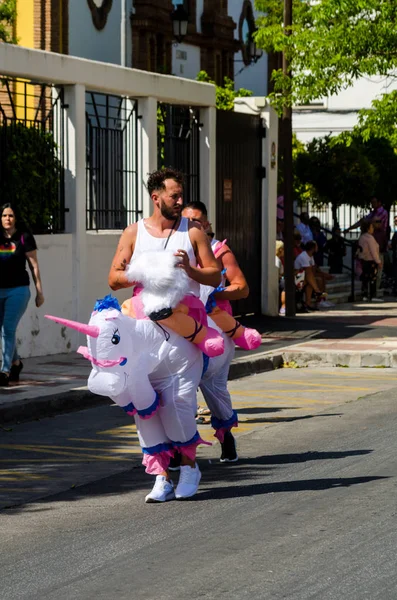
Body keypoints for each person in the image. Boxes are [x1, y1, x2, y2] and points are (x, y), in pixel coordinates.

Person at [108, 168, 221, 501]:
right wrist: (145, 272)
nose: (180, 200)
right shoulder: (133, 233)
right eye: (174, 195)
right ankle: (160, 475)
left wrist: (189, 270)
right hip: (144, 331)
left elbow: (214, 276)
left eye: (181, 194)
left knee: (180, 402)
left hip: (183, 329)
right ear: (156, 197)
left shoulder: (194, 232)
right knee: (144, 403)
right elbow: (114, 278)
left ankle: (189, 467)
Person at [181, 200, 252, 462]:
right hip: (183, 330)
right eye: (187, 221)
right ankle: (181, 451)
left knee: (216, 391)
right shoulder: (174, 251)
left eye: (197, 221)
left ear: (207, 224)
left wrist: (217, 292)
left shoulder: (219, 251)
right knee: (181, 388)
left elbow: (242, 288)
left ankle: (226, 435)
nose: (192, 225)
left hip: (216, 333)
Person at [0, 203, 44, 387]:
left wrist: (39, 291)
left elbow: (34, 266)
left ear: (15, 218)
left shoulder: (24, 238)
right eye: (4, 215)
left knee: (7, 329)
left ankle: (4, 370)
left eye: (10, 215)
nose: (7, 219)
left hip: (18, 290)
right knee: (4, 330)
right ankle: (16, 363)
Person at [356, 220, 382, 302]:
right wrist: (378, 261)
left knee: (365, 278)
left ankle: (364, 295)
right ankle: (372, 295)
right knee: (372, 278)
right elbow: (373, 251)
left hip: (364, 261)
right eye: (371, 227)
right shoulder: (370, 238)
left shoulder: (362, 237)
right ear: (368, 228)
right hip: (370, 261)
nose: (373, 229)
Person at [275, 240, 286, 316]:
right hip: (277, 280)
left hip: (279, 278)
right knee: (285, 284)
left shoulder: (278, 259)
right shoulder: (276, 260)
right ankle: (283, 306)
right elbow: (277, 274)